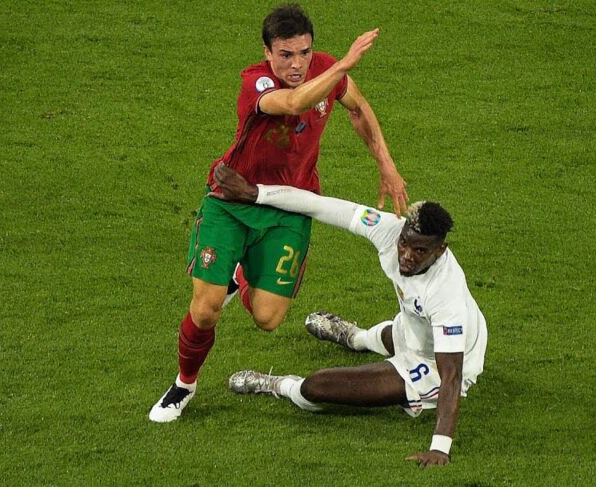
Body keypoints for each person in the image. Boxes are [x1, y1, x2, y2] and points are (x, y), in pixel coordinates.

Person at [149, 4, 408, 423]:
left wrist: (386, 165)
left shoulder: (323, 71)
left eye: (304, 53)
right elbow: (292, 103)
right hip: (233, 200)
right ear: (268, 52)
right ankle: (184, 384)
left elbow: (357, 108)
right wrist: (341, 66)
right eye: (285, 54)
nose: (296, 63)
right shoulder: (257, 83)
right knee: (205, 310)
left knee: (268, 319)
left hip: (289, 206)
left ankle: (241, 276)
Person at [213, 164, 487, 467]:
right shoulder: (390, 229)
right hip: (415, 326)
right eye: (405, 244)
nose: (407, 255)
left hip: (437, 362)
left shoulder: (446, 295)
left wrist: (440, 448)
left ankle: (279, 385)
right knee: (396, 330)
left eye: (420, 251)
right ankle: (355, 337)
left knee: (316, 387)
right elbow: (321, 206)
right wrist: (256, 194)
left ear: (439, 251)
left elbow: (452, 375)